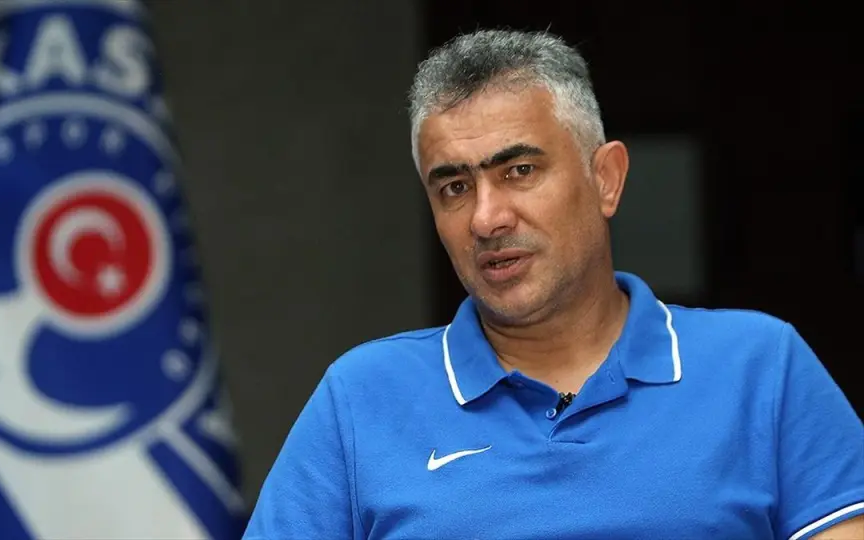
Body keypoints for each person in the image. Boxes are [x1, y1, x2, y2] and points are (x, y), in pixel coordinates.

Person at [243, 29, 864, 540]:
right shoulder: (362, 397)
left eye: (519, 170)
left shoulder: (761, 367)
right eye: (454, 187)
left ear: (606, 179)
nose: (486, 218)